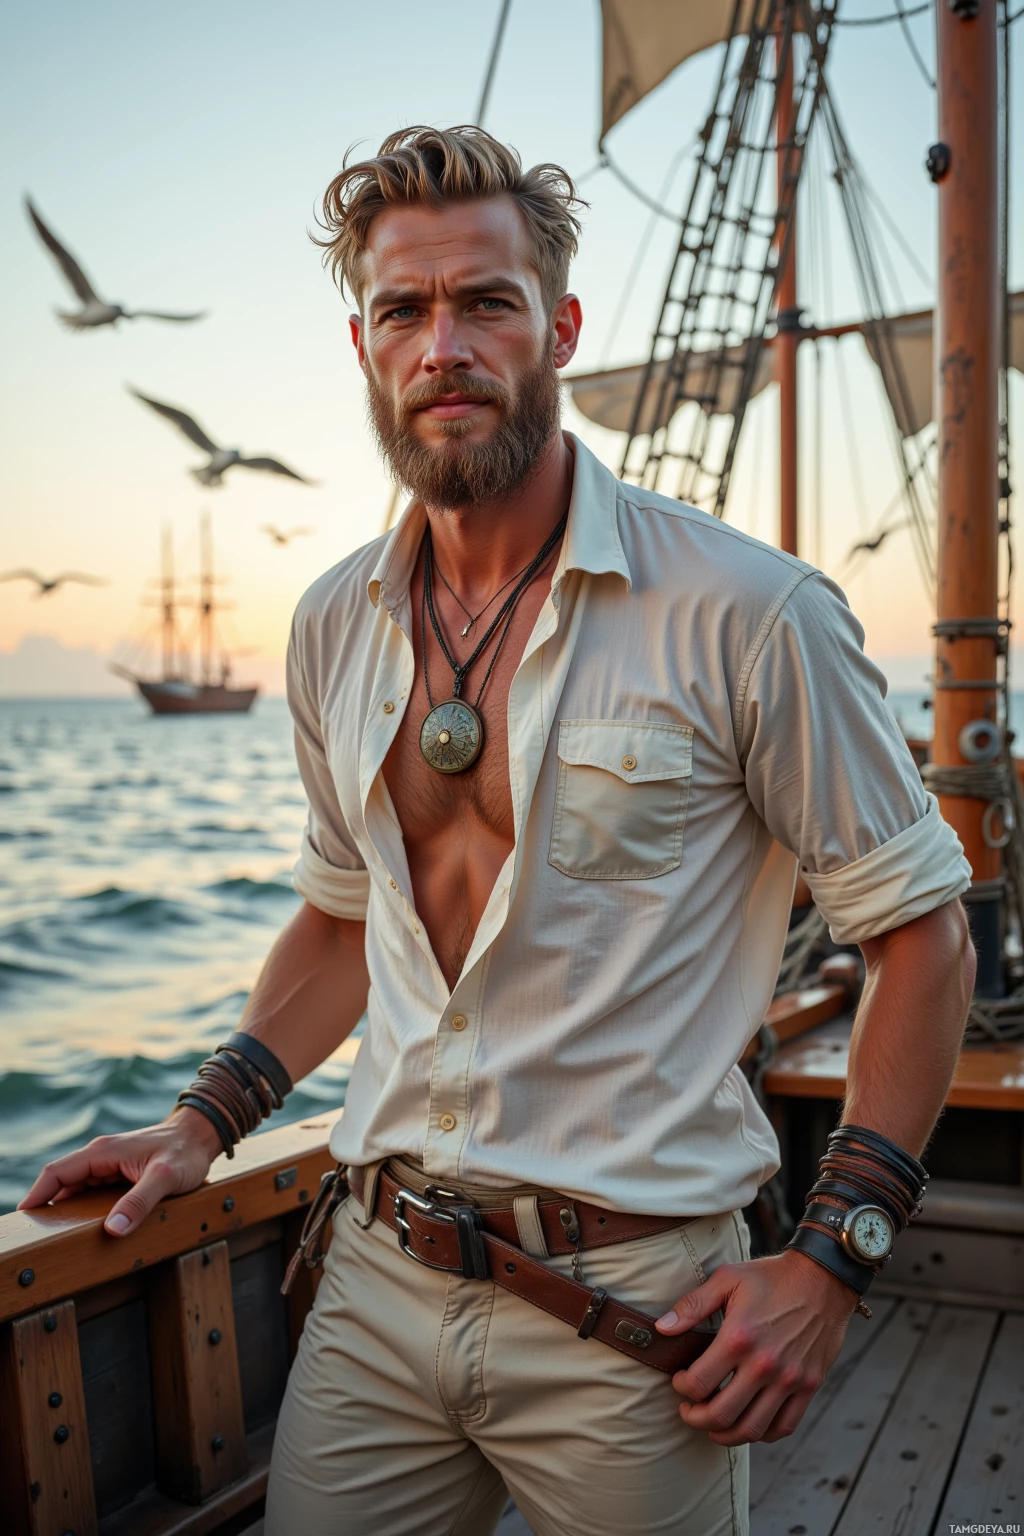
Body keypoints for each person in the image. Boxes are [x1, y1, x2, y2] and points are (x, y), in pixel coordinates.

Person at [20, 126, 975, 1536]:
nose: (442, 344)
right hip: (375, 1286)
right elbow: (347, 917)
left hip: (643, 1317)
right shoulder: (333, 623)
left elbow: (922, 936)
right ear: (364, 346)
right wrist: (200, 1122)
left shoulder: (746, 611)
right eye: (405, 310)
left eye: (487, 302)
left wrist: (836, 1256)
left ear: (561, 326)